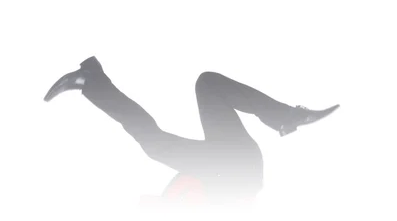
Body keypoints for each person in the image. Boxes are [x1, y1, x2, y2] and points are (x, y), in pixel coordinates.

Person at [44, 56, 339, 208]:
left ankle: (286, 116)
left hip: (234, 163)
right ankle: (93, 81)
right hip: (236, 177)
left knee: (207, 85)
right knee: (154, 143)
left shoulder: (175, 201)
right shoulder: (187, 204)